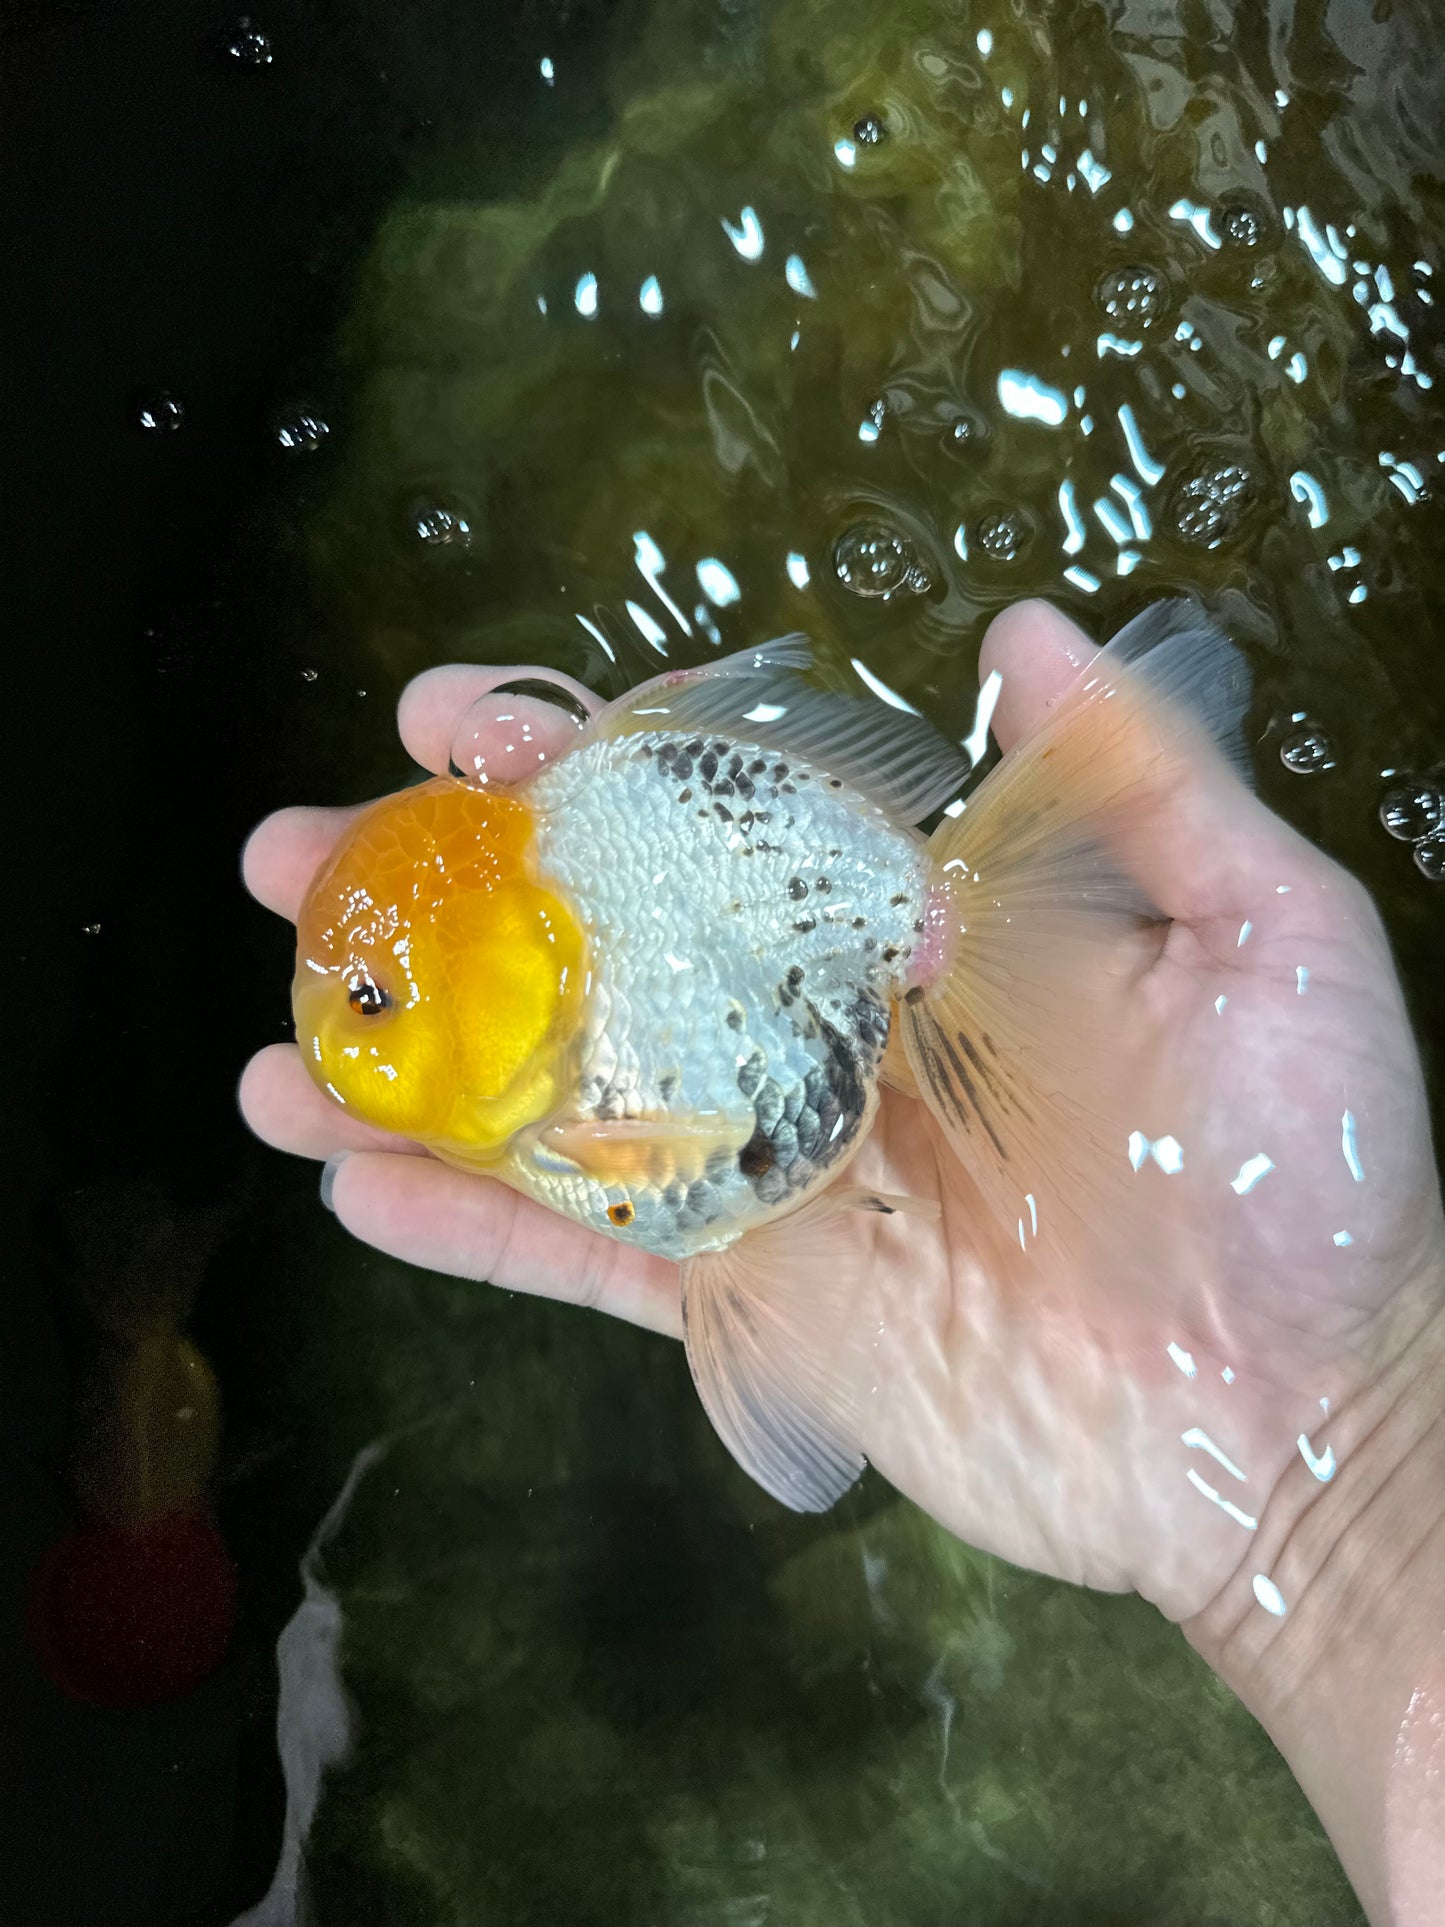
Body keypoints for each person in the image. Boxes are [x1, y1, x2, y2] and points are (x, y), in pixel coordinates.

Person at [240, 600, 1445, 1926]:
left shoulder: (583, 1029)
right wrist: (1343, 1470)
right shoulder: (553, 1063)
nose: (335, 1034)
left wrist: (1343, 1442)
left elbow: (688, 1158)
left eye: (367, 1004)